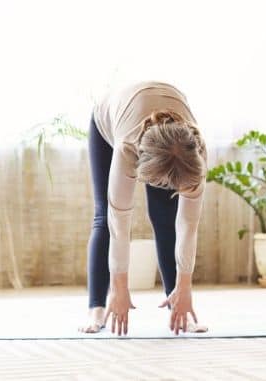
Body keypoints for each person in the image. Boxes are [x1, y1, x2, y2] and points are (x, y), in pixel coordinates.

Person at [79, 81, 208, 336]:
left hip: (168, 141)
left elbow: (188, 226)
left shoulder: (195, 152)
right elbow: (119, 225)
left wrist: (185, 287)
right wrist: (120, 288)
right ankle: (96, 307)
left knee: (166, 219)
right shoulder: (127, 149)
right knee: (105, 216)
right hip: (109, 121)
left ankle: (176, 303)